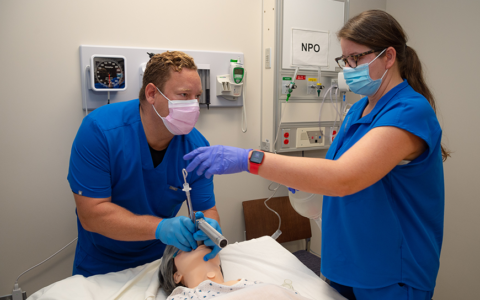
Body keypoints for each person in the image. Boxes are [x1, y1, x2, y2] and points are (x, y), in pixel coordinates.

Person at [183, 10, 447, 300]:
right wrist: (306, 182)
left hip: (390, 273)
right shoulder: (359, 110)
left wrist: (250, 159)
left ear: (388, 56)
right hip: (346, 263)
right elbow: (336, 171)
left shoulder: (410, 112)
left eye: (356, 58)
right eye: (344, 60)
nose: (348, 68)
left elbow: (345, 178)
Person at [68, 51, 222, 277]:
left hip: (159, 262)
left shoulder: (196, 148)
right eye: (183, 94)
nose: (193, 105)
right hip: (101, 263)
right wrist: (160, 228)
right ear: (152, 93)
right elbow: (92, 215)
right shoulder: (99, 131)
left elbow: (206, 208)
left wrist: (210, 228)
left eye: (196, 96)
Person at [158, 239, 310, 300]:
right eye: (185, 244)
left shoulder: (251, 284)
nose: (195, 241)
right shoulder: (182, 297)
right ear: (176, 276)